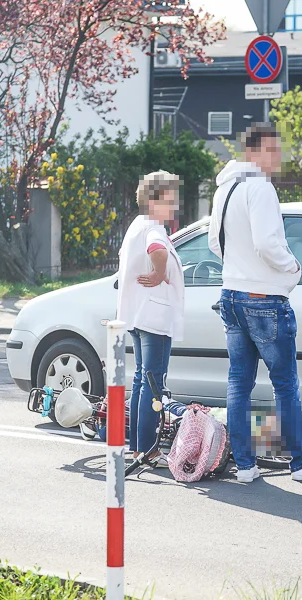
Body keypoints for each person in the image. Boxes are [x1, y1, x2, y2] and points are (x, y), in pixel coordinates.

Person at [208, 123, 302, 483]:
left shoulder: (224, 189)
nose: (277, 157)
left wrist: (238, 267)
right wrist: (292, 268)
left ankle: (246, 465)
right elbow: (268, 244)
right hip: (263, 297)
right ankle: (301, 462)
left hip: (231, 294)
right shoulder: (261, 188)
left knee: (239, 382)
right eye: (271, 150)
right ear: (253, 152)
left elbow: (213, 243)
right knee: (284, 382)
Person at [116, 171, 185, 465]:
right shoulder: (153, 228)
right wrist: (159, 273)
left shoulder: (138, 225)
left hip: (137, 314)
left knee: (142, 379)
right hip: (153, 316)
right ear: (153, 200)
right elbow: (157, 250)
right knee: (153, 382)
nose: (174, 206)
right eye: (170, 200)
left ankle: (138, 446)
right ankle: (147, 448)